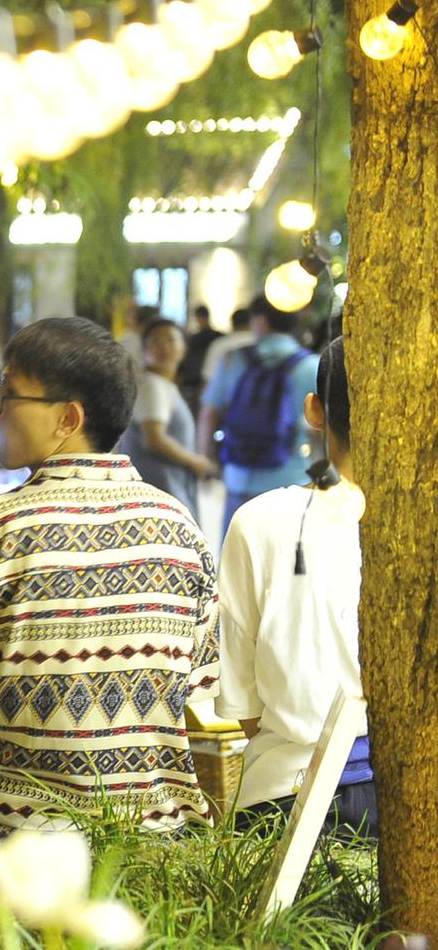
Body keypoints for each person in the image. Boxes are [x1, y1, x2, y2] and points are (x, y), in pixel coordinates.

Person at [0, 317, 219, 840]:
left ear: (68, 418)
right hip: (153, 833)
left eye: (8, 392)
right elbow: (194, 686)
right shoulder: (181, 528)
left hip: (12, 830)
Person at [217, 333, 373, 838]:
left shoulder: (258, 521)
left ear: (314, 410)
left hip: (280, 800)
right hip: (406, 802)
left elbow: (243, 709)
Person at [200, 296, 319, 538]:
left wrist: (205, 459)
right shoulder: (311, 365)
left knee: (237, 556)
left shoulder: (233, 359)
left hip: (240, 479)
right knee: (286, 557)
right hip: (292, 479)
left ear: (261, 321)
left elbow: (209, 414)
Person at [120, 318, 218, 511]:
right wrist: (196, 461)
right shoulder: (152, 385)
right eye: (155, 341)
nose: (164, 347)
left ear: (183, 347)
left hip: (166, 489)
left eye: (171, 340)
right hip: (161, 492)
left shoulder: (162, 385)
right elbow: (154, 439)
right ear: (145, 349)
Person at [177, 303, 223, 413]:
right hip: (213, 380)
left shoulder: (194, 338)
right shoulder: (219, 337)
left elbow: (187, 359)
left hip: (195, 380)